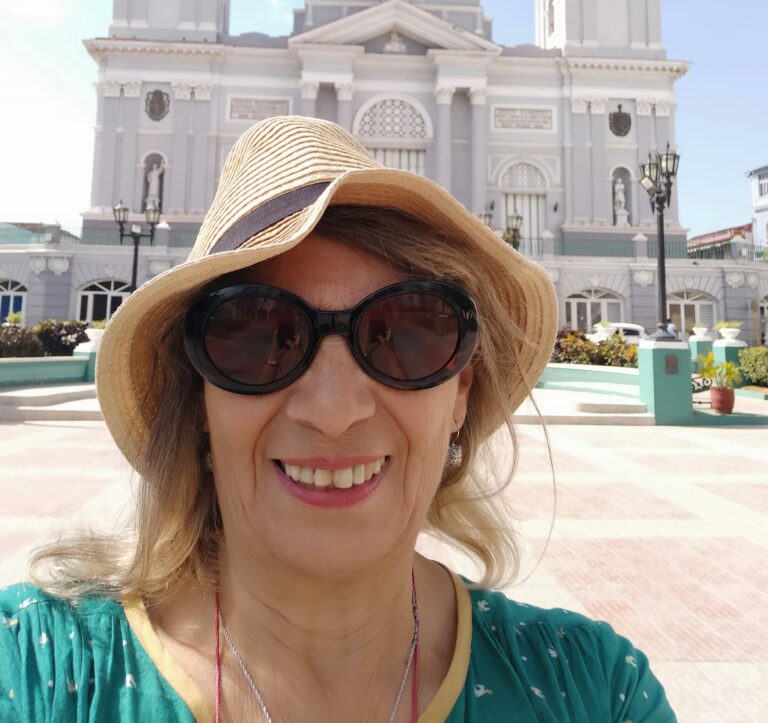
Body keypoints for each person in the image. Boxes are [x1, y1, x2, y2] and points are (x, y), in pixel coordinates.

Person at [0, 116, 676, 721]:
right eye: (257, 334)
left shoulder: (590, 690)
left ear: (461, 386)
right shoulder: (41, 674)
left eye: (408, 331)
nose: (333, 411)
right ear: (198, 390)